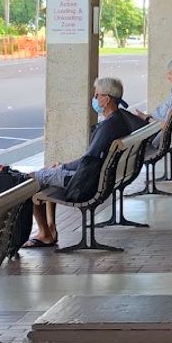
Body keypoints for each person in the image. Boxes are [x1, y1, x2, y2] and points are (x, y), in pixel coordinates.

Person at [22, 79, 138, 249]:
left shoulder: (107, 127)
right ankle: (49, 230)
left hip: (84, 183)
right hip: (100, 178)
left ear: (106, 99)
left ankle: (45, 233)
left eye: (96, 95)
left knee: (31, 179)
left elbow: (87, 160)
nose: (94, 98)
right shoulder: (120, 121)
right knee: (48, 173)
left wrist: (62, 166)